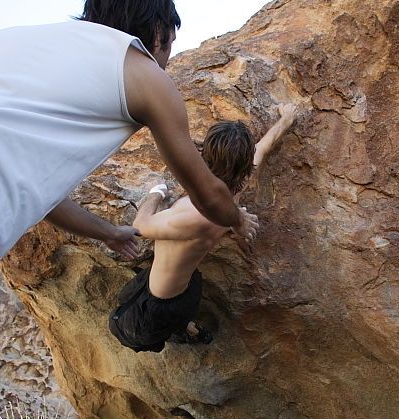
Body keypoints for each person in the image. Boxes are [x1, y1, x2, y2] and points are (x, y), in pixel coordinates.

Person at [0, 0, 257, 271]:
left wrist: (110, 232)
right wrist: (238, 219)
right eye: (169, 45)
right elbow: (209, 196)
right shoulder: (143, 73)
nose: (166, 62)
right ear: (157, 32)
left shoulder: (10, 40)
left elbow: (39, 193)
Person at [109, 104, 297, 353]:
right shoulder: (235, 191)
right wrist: (286, 120)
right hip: (187, 286)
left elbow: (139, 227)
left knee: (121, 327)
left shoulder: (193, 213)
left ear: (205, 155)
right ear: (243, 167)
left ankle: (184, 331)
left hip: (160, 300)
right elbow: (262, 149)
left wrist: (155, 194)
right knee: (176, 315)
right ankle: (190, 329)